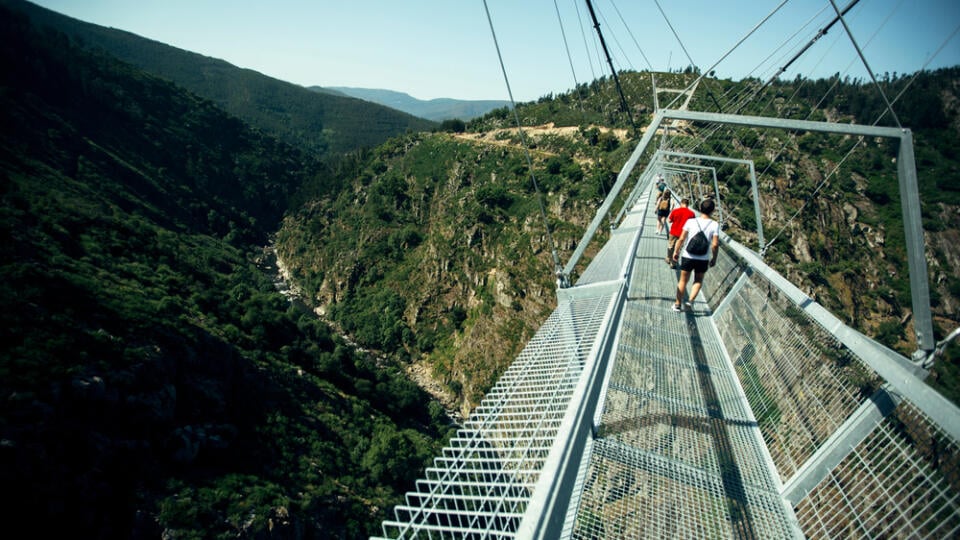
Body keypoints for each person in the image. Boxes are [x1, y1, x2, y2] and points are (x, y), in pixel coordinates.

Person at [671, 198, 720, 312]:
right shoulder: (714, 224)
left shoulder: (691, 221)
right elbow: (715, 244)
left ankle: (677, 304)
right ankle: (690, 301)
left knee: (683, 280)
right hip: (703, 258)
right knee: (698, 280)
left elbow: (681, 238)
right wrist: (714, 258)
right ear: (712, 211)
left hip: (688, 255)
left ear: (700, 209)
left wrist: (676, 252)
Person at [665, 198, 695, 268]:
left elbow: (669, 221)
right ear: (688, 205)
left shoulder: (675, 211)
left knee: (671, 246)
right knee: (678, 249)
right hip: (683, 234)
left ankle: (668, 258)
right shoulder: (692, 214)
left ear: (681, 203)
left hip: (673, 232)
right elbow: (693, 225)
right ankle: (673, 263)